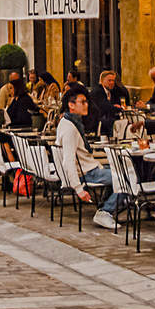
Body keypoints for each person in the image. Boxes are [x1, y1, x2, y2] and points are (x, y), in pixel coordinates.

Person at [55, 84, 124, 231]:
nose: (86, 105)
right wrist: (78, 189)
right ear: (71, 105)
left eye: (86, 101)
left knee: (121, 171)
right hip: (88, 174)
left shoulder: (69, 122)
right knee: (126, 179)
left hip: (91, 169)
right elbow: (68, 161)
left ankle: (104, 207)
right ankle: (105, 211)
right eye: (82, 102)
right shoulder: (69, 128)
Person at [88, 69, 129, 137]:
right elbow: (105, 106)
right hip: (96, 123)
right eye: (109, 80)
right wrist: (118, 107)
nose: (112, 83)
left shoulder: (111, 92)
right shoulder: (98, 91)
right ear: (102, 81)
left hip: (106, 120)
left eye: (113, 80)